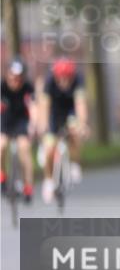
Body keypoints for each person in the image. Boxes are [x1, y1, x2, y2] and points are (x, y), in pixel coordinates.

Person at [39, 58, 89, 203]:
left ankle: (74, 162)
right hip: (54, 113)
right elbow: (44, 106)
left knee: (75, 130)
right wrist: (43, 125)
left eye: (67, 78)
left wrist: (83, 123)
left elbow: (80, 104)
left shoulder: (78, 80)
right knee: (49, 148)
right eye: (61, 78)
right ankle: (48, 180)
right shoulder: (49, 82)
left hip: (70, 110)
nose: (64, 81)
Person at [1, 58, 37, 202]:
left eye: (19, 77)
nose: (15, 80)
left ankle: (28, 186)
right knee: (1, 146)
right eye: (13, 76)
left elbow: (33, 107)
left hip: (22, 121)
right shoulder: (2, 87)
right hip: (5, 121)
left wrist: (33, 125)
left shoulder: (28, 88)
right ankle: (2, 176)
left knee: (24, 148)